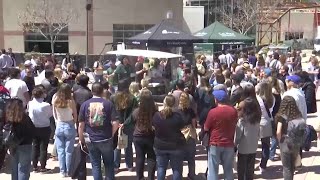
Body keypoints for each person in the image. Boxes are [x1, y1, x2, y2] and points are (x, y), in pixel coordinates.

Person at [78, 83, 119, 180]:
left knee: (95, 164)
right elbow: (116, 122)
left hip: (91, 138)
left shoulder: (85, 104)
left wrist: (81, 138)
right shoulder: (108, 104)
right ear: (102, 92)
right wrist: (112, 134)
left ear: (92, 91)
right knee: (109, 164)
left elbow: (81, 125)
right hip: (106, 137)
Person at [204, 90, 238, 180]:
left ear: (216, 100)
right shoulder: (233, 111)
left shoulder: (213, 112)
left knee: (213, 170)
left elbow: (206, 128)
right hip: (229, 143)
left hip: (215, 143)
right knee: (228, 170)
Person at [153, 95, 187, 180]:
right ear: (175, 104)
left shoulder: (157, 116)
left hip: (160, 145)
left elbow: (153, 127)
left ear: (164, 103)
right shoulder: (178, 116)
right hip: (175, 146)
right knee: (177, 169)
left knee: (161, 168)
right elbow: (183, 126)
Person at [276, 96, 306, 180]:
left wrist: (280, 142)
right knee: (292, 166)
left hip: (285, 143)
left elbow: (278, 131)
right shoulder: (298, 115)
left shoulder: (282, 116)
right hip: (296, 143)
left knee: (286, 168)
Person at [5, 99, 35, 180]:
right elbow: (32, 131)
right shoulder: (25, 118)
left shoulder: (9, 119)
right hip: (25, 145)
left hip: (13, 145)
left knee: (14, 168)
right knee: (23, 169)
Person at [111, 79, 138, 172]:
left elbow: (111, 111)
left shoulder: (113, 97)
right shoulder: (132, 98)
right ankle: (129, 165)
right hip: (128, 125)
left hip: (116, 125)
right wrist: (125, 123)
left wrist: (117, 122)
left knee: (116, 146)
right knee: (128, 146)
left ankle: (115, 166)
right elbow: (134, 113)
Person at [52, 83, 78, 177]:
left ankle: (62, 171)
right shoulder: (71, 101)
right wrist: (74, 123)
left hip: (59, 124)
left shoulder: (55, 100)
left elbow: (54, 114)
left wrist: (57, 121)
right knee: (69, 150)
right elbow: (75, 114)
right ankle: (68, 170)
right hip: (69, 124)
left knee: (60, 150)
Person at [131, 89, 157, 180]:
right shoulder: (154, 111)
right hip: (150, 136)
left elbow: (132, 121)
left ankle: (139, 177)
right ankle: (150, 177)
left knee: (139, 157)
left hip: (138, 136)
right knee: (151, 157)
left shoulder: (136, 111)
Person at [234, 97, 261, 180]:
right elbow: (258, 133)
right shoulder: (257, 119)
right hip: (253, 147)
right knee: (250, 169)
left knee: (241, 169)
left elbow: (238, 135)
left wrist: (235, 144)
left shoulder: (242, 121)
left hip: (243, 148)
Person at [28, 86, 53, 172]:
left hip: (34, 127)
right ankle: (43, 166)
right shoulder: (46, 105)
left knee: (35, 146)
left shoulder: (30, 103)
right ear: (42, 94)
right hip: (44, 127)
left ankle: (34, 166)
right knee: (43, 148)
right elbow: (50, 115)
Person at [256, 80, 274, 173]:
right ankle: (263, 165)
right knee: (266, 145)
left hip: (258, 122)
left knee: (254, 145)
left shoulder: (258, 99)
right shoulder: (272, 98)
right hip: (267, 122)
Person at [179, 92, 197, 179]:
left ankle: (179, 175)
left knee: (179, 158)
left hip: (180, 135)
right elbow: (194, 124)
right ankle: (191, 175)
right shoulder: (191, 111)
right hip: (189, 134)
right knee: (191, 158)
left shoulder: (176, 111)